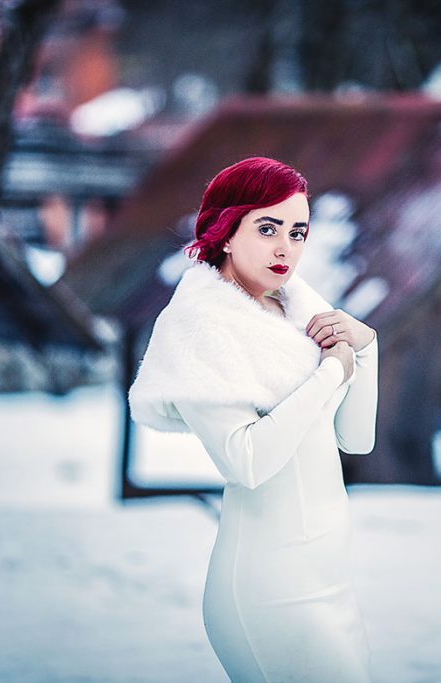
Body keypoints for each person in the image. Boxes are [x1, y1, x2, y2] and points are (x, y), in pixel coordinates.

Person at [127, 156, 379, 682]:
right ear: (225, 229)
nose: (286, 247)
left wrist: (366, 348)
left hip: (329, 581)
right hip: (271, 590)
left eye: (297, 231)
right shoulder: (202, 327)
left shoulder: (298, 310)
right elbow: (246, 461)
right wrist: (331, 375)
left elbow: (354, 441)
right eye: (267, 229)